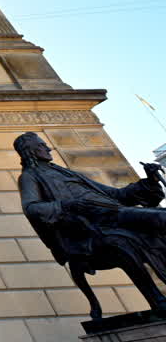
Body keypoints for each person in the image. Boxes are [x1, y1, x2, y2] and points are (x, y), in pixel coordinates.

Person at [15, 131, 166, 312]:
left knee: (159, 218)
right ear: (29, 150)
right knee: (159, 219)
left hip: (114, 212)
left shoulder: (62, 171)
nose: (47, 148)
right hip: (92, 224)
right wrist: (67, 205)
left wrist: (149, 181)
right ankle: (158, 301)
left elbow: (117, 195)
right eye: (41, 145)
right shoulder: (29, 176)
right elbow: (31, 208)